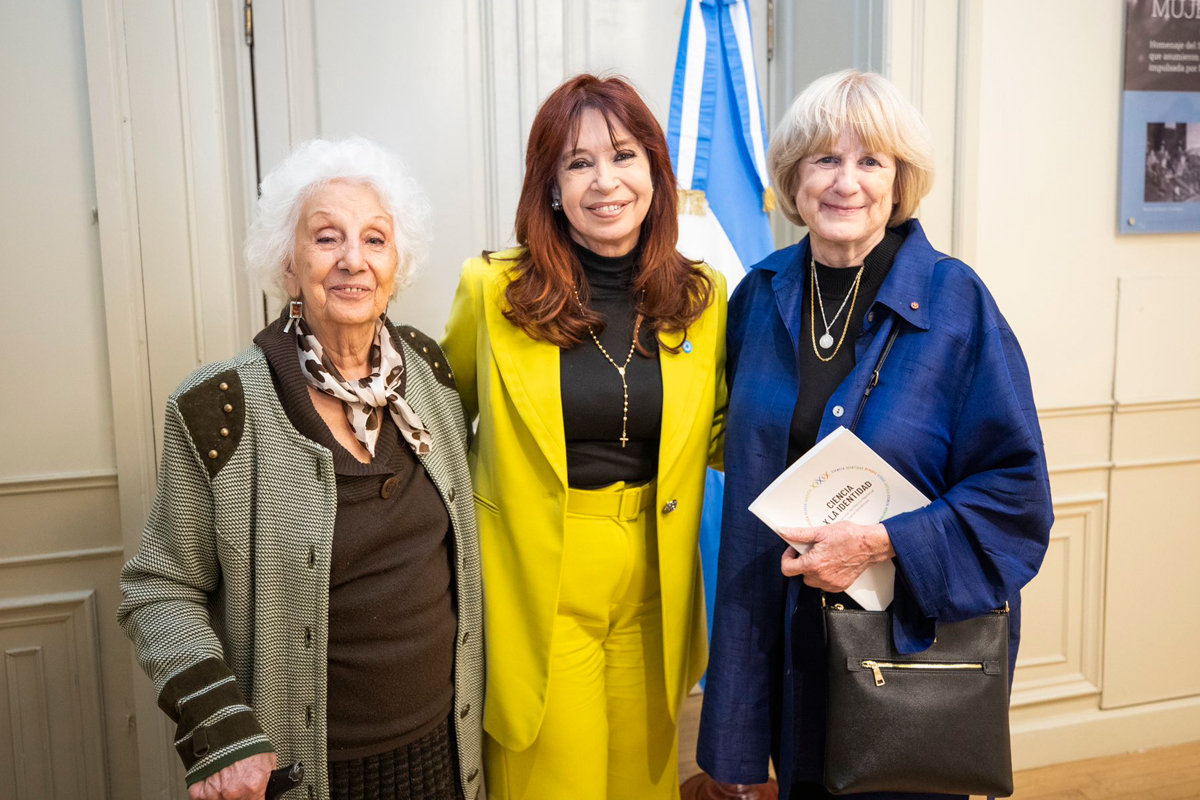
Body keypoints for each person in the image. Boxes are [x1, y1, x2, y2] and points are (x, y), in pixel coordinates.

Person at [696, 69, 1053, 800]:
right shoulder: (758, 296)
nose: (845, 182)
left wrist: (882, 542)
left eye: (870, 161)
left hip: (904, 651)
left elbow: (1016, 493)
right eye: (825, 158)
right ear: (794, 176)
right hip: (788, 637)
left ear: (900, 181)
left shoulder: (957, 302)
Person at [118, 137, 483, 800]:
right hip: (311, 774)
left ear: (396, 265)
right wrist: (221, 732)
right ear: (288, 266)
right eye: (326, 237)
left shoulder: (431, 373)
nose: (353, 259)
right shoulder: (220, 407)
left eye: (375, 239)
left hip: (447, 755)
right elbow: (158, 588)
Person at [441, 74, 726, 800]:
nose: (606, 181)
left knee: (643, 782)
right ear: (551, 186)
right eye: (578, 162)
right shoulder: (492, 290)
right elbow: (438, 429)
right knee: (554, 783)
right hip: (540, 579)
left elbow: (722, 430)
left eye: (624, 156)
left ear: (655, 173)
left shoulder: (701, 297)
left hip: (656, 579)